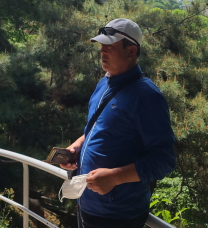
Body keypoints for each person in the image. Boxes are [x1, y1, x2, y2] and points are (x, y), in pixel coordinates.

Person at [62, 18, 176, 228]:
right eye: (101, 46)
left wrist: (115, 177)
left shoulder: (146, 96)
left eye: (110, 47)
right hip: (88, 203)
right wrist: (77, 146)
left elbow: (164, 159)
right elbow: (99, 128)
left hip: (118, 215)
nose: (102, 52)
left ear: (131, 51)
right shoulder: (104, 83)